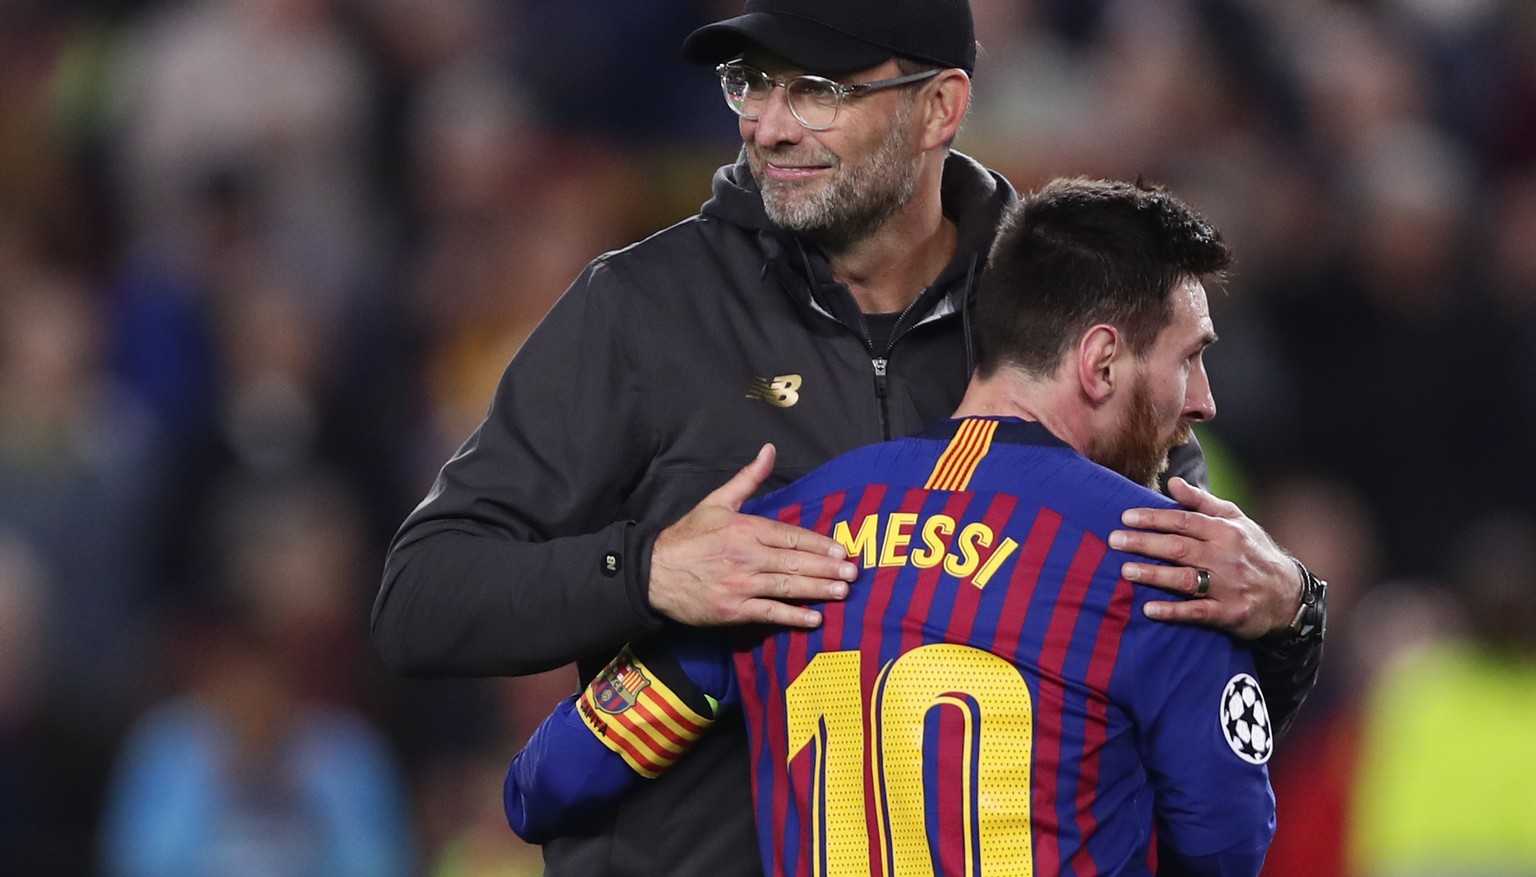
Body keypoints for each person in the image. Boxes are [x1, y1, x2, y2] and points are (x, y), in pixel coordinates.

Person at [372, 2, 1325, 874]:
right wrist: (650, 571)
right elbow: (421, 598)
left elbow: (1176, 663)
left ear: (941, 105)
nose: (770, 124)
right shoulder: (643, 311)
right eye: (753, 83)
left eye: (819, 90)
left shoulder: (1055, 315)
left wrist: (1286, 611)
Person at [504, 177, 1276, 875]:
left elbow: (549, 783)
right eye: (1190, 357)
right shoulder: (1158, 559)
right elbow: (1225, 844)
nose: (1203, 399)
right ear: (1101, 361)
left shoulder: (777, 541)